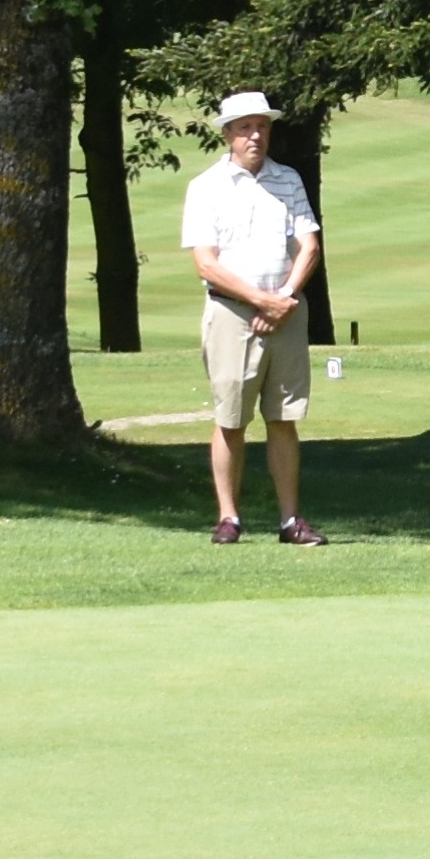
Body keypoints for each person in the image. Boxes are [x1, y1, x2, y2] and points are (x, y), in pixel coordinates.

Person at [183, 92, 325, 546]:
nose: (254, 135)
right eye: (244, 128)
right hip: (231, 313)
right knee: (231, 417)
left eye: (261, 126)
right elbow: (207, 264)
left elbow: (309, 246)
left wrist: (282, 298)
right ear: (227, 134)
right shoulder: (205, 186)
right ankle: (229, 517)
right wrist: (260, 302)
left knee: (283, 418)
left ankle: (290, 521)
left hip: (284, 312)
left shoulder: (288, 180)